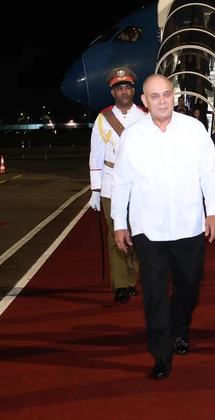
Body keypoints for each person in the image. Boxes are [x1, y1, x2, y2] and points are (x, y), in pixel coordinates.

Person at [111, 74, 215, 380]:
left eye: (167, 94)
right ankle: (161, 353)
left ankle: (180, 327)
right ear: (144, 101)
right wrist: (120, 223)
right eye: (155, 96)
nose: (162, 101)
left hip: (189, 225)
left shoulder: (194, 130)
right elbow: (121, 182)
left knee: (189, 284)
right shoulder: (132, 136)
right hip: (149, 228)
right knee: (154, 293)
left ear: (174, 96)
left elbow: (209, 173)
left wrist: (212, 211)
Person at [88, 67, 146, 302]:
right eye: (119, 88)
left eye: (127, 87)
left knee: (139, 235)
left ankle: (132, 278)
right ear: (113, 92)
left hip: (138, 185)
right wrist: (95, 189)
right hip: (112, 184)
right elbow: (96, 155)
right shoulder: (103, 118)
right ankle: (121, 285)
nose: (124, 91)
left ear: (133, 90)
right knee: (116, 235)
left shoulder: (145, 116)